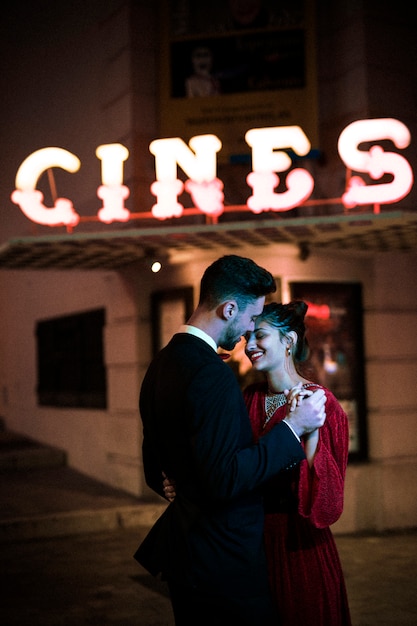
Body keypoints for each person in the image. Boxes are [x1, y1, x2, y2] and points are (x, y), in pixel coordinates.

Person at [134, 255, 327, 626]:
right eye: (251, 318)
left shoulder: (161, 365)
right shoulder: (211, 374)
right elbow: (224, 478)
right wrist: (293, 427)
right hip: (223, 562)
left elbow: (152, 465)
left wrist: (182, 485)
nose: (248, 331)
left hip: (187, 555)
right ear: (229, 308)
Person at [243, 300, 352, 625]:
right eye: (247, 336)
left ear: (288, 341)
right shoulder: (249, 397)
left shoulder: (322, 403)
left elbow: (326, 497)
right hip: (251, 547)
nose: (249, 346)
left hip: (299, 547)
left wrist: (309, 429)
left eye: (259, 335)